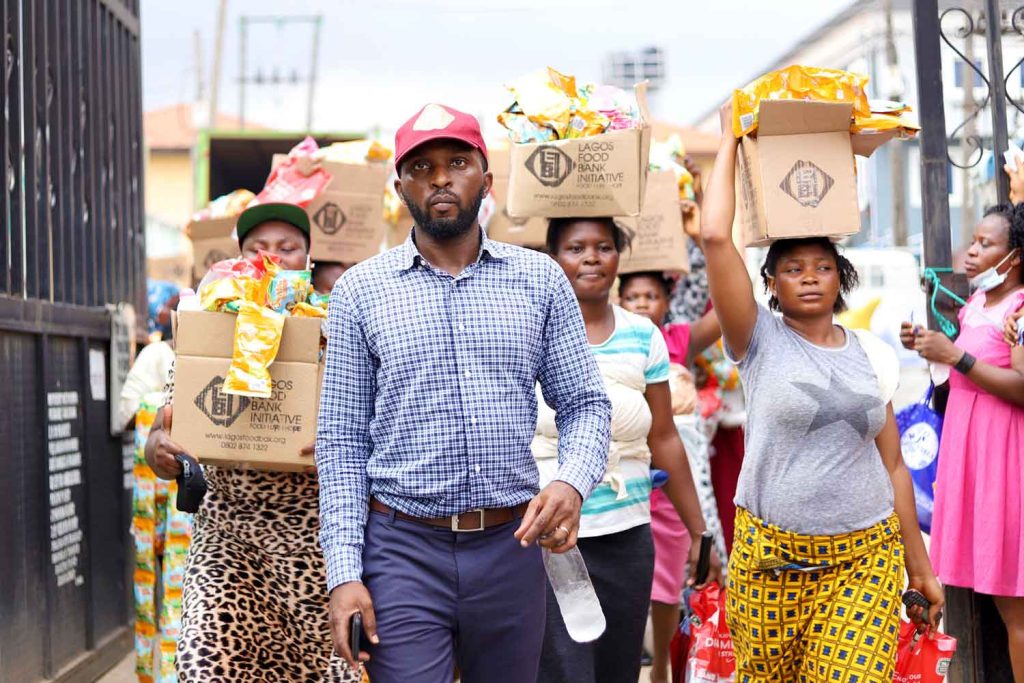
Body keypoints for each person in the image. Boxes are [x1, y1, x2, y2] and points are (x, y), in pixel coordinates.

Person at [316, 104, 612, 683]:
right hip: (401, 551)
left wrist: (571, 480)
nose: (441, 178)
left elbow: (585, 404)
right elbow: (342, 442)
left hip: (512, 547)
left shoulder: (541, 279)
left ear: (487, 179)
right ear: (400, 187)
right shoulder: (359, 292)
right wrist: (344, 573)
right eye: (421, 167)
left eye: (457, 162)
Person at [701, 101, 943, 682]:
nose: (809, 275)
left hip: (864, 556)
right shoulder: (756, 338)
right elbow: (714, 236)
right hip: (771, 562)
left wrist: (922, 567)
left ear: (841, 279)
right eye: (792, 267)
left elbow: (893, 469)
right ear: (772, 284)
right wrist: (732, 141)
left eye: (822, 266)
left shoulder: (874, 355)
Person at [144, 202, 359, 683]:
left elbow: (372, 429)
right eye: (258, 249)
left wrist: (342, 446)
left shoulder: (337, 330)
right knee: (208, 667)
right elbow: (166, 429)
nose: (273, 259)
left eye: (288, 249)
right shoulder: (208, 328)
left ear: (308, 260)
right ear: (238, 258)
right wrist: (159, 447)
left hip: (314, 543)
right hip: (227, 536)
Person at [533, 218, 720, 683]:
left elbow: (664, 438)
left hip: (628, 534)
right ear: (554, 258)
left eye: (604, 246)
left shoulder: (644, 336)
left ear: (620, 257)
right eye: (576, 247)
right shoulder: (529, 333)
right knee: (563, 674)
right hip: (548, 540)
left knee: (617, 671)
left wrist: (700, 533)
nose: (591, 257)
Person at [902, 203, 1024, 681]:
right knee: (998, 596)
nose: (972, 252)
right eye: (973, 241)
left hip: (1005, 456)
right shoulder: (979, 303)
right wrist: (933, 351)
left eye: (985, 244)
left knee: (1016, 607)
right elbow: (962, 377)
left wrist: (957, 356)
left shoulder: (1020, 307)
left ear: (1014, 257)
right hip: (975, 453)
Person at [618, 270, 724, 683]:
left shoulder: (678, 341)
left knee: (667, 583)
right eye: (632, 296)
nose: (642, 302)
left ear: (668, 302)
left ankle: (661, 664)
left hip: (672, 487)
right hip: (624, 482)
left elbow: (724, 312)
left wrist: (707, 236)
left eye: (651, 295)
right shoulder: (606, 338)